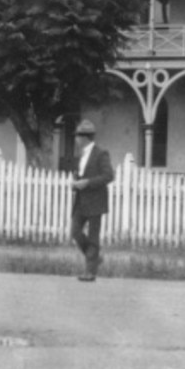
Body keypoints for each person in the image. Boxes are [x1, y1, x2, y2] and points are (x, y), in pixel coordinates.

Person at [70, 119, 113, 282]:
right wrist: (76, 184)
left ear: (84, 138)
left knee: (93, 236)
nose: (75, 139)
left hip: (96, 200)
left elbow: (109, 176)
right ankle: (94, 257)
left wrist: (87, 183)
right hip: (81, 200)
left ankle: (90, 272)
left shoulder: (101, 153)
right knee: (75, 231)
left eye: (77, 136)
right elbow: (80, 175)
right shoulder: (80, 154)